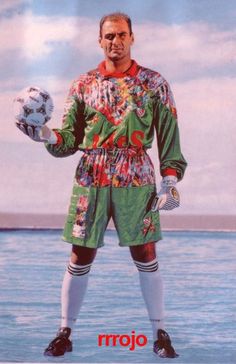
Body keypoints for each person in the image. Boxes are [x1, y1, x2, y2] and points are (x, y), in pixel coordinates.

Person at [16, 12, 187, 359]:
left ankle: (160, 332)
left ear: (132, 37)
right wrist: (46, 134)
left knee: (146, 253)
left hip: (136, 174)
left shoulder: (155, 84)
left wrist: (169, 180)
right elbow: (68, 140)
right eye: (109, 36)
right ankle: (64, 331)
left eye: (121, 34)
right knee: (80, 254)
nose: (115, 41)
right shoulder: (83, 84)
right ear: (100, 41)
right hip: (91, 175)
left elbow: (169, 136)